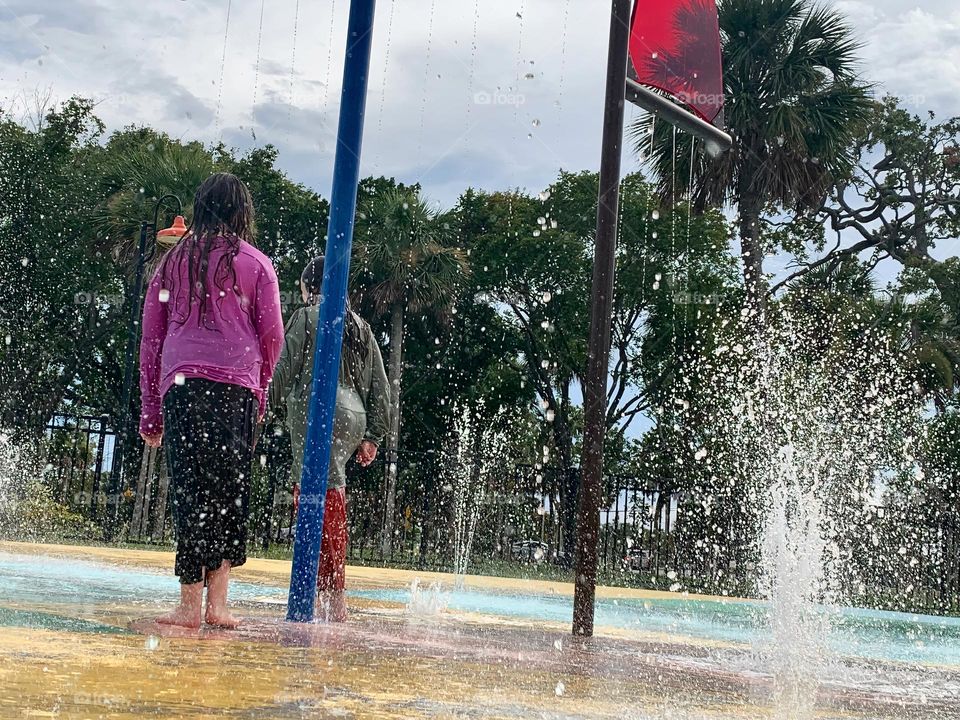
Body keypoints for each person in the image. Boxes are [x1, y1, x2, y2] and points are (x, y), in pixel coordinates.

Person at [139, 172, 284, 629]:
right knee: (229, 493)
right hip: (236, 386)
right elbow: (273, 337)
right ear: (242, 213)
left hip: (181, 385)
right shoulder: (257, 264)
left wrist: (150, 408)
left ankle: (187, 606)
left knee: (191, 490)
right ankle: (218, 606)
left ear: (200, 209)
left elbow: (151, 336)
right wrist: (260, 388)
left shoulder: (171, 264)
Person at [269, 256, 390, 622]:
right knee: (332, 496)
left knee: (311, 500)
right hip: (354, 416)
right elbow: (382, 388)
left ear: (309, 288)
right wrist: (372, 437)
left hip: (318, 409)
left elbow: (284, 368)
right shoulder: (362, 328)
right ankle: (331, 593)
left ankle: (324, 596)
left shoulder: (307, 317)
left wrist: (263, 404)